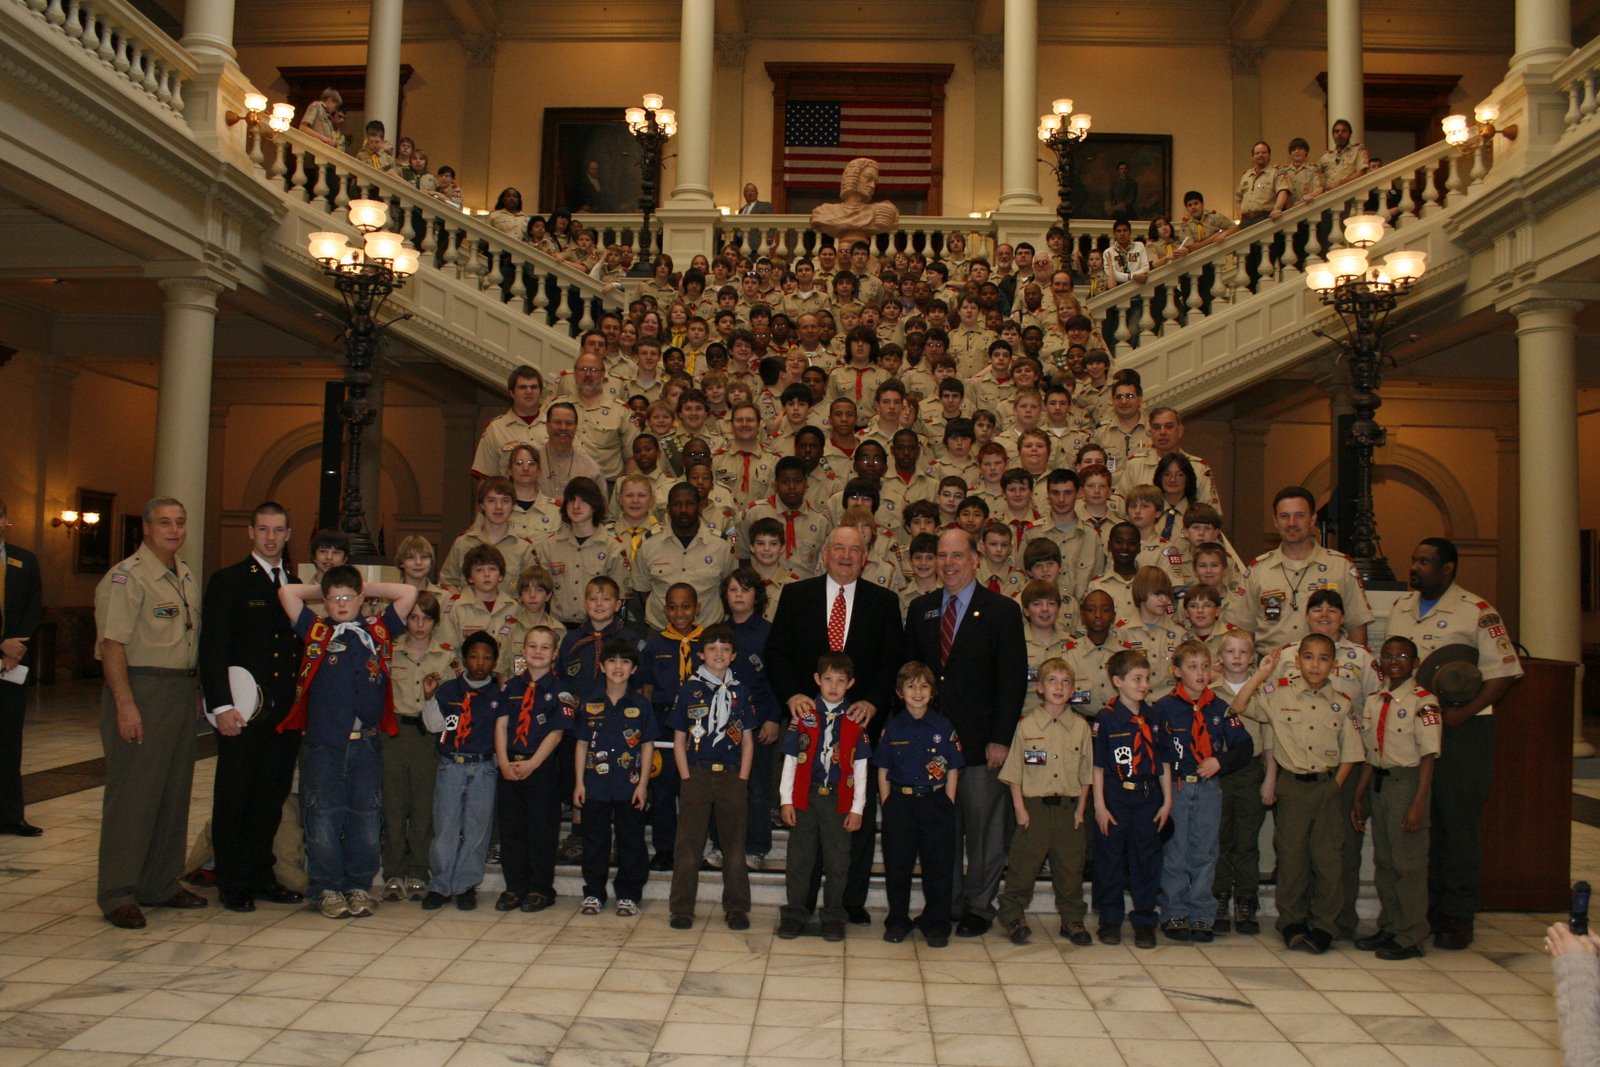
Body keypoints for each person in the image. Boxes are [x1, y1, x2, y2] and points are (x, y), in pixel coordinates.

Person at [1386, 536, 1524, 950]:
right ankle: (1423, 909)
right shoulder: (1401, 608)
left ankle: (1457, 914)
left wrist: (1465, 712)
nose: (1416, 566)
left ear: (1448, 569)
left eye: (1425, 561)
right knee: (1420, 821)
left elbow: (1504, 671)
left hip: (1464, 730)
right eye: (1414, 558)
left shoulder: (1477, 612)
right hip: (1412, 729)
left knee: (1457, 822)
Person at [765, 524, 906, 925]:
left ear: (866, 556)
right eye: (839, 548)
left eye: (855, 550)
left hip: (859, 728)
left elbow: (891, 661)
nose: (846, 556)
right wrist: (793, 694)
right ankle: (802, 903)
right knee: (807, 820)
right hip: (806, 726)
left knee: (853, 816)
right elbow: (777, 654)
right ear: (825, 553)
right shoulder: (796, 595)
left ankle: (848, 903)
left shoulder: (883, 602)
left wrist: (873, 702)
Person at [903, 527, 1028, 937]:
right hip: (932, 745)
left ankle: (979, 905)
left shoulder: (1001, 611)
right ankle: (946, 902)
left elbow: (1012, 682)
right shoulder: (921, 609)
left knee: (985, 831)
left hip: (980, 744)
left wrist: (1001, 739)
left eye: (957, 555)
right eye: (941, 555)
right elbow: (913, 677)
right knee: (942, 831)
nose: (948, 564)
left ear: (975, 559)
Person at [277, 566, 417, 920]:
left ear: (361, 599)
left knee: (366, 817)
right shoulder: (317, 630)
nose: (341, 604)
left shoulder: (376, 630)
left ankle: (357, 883)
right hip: (325, 743)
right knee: (323, 816)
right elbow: (287, 594)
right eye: (334, 599)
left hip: (365, 743)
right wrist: (326, 588)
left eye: (348, 598)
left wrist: (364, 586)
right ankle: (325, 887)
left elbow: (407, 593)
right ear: (325, 601)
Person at [92, 498, 207, 929]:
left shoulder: (185, 575)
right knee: (134, 795)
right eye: (164, 523)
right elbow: (112, 646)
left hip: (178, 691)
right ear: (146, 527)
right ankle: (118, 892)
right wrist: (125, 703)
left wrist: (194, 689)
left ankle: (160, 882)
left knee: (173, 793)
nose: (174, 530)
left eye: (180, 522)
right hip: (142, 689)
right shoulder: (126, 578)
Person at [198, 502, 305, 913]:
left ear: (289, 534)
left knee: (269, 797)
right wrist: (220, 705)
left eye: (278, 530)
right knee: (234, 796)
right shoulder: (230, 582)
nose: (271, 537)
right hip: (242, 711)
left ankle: (262, 875)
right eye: (264, 530)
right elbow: (214, 649)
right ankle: (233, 880)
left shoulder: (294, 584)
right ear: (250, 532)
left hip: (282, 715)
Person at [1231, 634, 1363, 953]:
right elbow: (1239, 705)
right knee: (1291, 857)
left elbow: (1351, 753)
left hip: (1328, 787)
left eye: (1322, 658)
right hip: (1291, 787)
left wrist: (1334, 787)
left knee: (1328, 860)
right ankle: (1292, 921)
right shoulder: (1280, 695)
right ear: (1298, 660)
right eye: (1308, 657)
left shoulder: (1342, 703)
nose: (1315, 664)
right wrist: (1262, 674)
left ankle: (1324, 925)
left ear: (1333, 664)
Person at [1149, 640, 1253, 943]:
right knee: (1175, 852)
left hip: (1208, 788)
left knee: (1205, 853)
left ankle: (1202, 914)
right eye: (1192, 667)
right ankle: (1174, 911)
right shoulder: (1164, 709)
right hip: (1178, 787)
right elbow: (1156, 751)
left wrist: (1220, 761)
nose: (1200, 673)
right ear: (1176, 671)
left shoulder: (1220, 708)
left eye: (1205, 667)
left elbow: (1245, 746)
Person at [1350, 635, 1441, 960]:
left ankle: (1412, 934)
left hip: (1407, 784)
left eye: (1402, 656)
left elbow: (1429, 757)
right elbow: (1368, 754)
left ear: (1415, 663)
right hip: (1378, 783)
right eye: (1388, 656)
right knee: (1385, 862)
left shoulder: (1423, 702)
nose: (1394, 661)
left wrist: (1418, 804)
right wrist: (1359, 797)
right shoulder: (1376, 700)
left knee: (1409, 864)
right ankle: (1390, 925)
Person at [997, 658, 1093, 947]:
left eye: (1065, 682)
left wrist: (1081, 809)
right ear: (1039, 688)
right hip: (1033, 809)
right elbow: (1015, 771)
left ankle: (1072, 919)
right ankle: (1013, 916)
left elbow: (1086, 774)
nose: (1059, 687)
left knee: (1070, 869)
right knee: (1022, 868)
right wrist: (1020, 809)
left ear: (1074, 689)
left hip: (1068, 810)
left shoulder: (1081, 728)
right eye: (1052, 681)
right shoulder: (1026, 727)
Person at [667, 623, 757, 930]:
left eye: (725, 649)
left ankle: (737, 908)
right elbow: (679, 739)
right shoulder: (689, 690)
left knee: (734, 846)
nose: (718, 654)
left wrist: (743, 778)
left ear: (733, 655)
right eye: (712, 648)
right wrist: (686, 776)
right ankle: (681, 908)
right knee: (689, 845)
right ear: (701, 653)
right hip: (697, 774)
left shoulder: (740, 692)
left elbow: (747, 739)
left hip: (731, 776)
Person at [777, 650, 872, 941]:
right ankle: (794, 913)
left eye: (840, 681)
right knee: (799, 859)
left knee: (837, 861)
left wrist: (858, 809)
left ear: (851, 684)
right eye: (828, 679)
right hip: (805, 796)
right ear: (817, 679)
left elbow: (862, 768)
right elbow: (790, 761)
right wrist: (785, 800)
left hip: (837, 800)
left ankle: (833, 915)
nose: (833, 686)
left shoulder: (856, 721)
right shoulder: (802, 717)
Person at [872, 662, 962, 947]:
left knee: (938, 867)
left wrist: (948, 799)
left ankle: (936, 922)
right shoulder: (893, 727)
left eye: (924, 686)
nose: (918, 692)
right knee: (898, 866)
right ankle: (897, 919)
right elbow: (883, 769)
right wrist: (887, 802)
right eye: (911, 686)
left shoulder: (943, 725)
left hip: (936, 802)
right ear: (900, 692)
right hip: (901, 803)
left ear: (933, 691)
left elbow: (953, 767)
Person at [1092, 649, 1173, 949]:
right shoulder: (1107, 719)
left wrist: (1167, 802)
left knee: (1147, 861)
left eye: (1147, 679)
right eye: (1136, 679)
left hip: (1148, 797)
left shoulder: (1153, 717)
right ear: (1117, 681)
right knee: (1109, 860)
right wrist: (1099, 806)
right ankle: (1110, 920)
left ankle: (1144, 920)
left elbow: (1163, 762)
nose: (1143, 685)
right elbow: (1098, 767)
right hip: (1115, 796)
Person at [573, 639, 658, 917]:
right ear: (601, 666)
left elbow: (647, 746)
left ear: (634, 669)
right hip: (594, 785)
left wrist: (643, 784)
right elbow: (581, 744)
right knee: (594, 841)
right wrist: (579, 783)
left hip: (629, 785)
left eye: (625, 661)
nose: (618, 667)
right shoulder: (589, 702)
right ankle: (594, 893)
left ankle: (629, 894)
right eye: (612, 661)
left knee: (631, 841)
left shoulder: (642, 706)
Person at [419, 631, 501, 911]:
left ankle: (466, 884)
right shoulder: (448, 691)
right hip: (451, 765)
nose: (480, 663)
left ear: (494, 661)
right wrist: (429, 697)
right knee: (446, 827)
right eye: (475, 656)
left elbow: (504, 733)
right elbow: (433, 726)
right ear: (464, 659)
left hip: (484, 767)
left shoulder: (499, 693)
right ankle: (440, 884)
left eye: (487, 657)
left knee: (477, 828)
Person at [493, 626, 572, 913]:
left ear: (555, 654)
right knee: (511, 829)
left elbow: (556, 734)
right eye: (532, 646)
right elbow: (501, 725)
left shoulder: (561, 691)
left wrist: (532, 764)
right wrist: (503, 762)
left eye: (545, 647)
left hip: (541, 767)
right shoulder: (510, 687)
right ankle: (515, 886)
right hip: (509, 766)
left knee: (542, 829)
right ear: (523, 651)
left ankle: (541, 888)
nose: (538, 652)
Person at [384, 592, 456, 901]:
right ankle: (393, 871)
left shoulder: (446, 657)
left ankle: (418, 870)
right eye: (412, 617)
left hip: (428, 736)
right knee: (394, 806)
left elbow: (452, 703)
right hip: (396, 733)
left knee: (424, 807)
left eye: (426, 618)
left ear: (435, 623)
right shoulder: (390, 652)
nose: (419, 624)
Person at [1244, 486, 1373, 654]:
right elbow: (1243, 631)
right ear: (1275, 521)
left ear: (1313, 519)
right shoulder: (1258, 570)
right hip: (1271, 671)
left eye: (1300, 516)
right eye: (1284, 516)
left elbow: (1357, 629)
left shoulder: (1340, 567)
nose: (1291, 523)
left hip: (1326, 670)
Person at [1210, 629, 1267, 934]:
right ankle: (1218, 897)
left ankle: (1246, 901)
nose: (1236, 657)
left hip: (1251, 772)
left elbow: (1270, 739)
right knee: (1219, 839)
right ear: (1219, 658)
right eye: (1230, 652)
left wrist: (1269, 778)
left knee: (1246, 841)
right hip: (1218, 770)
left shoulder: (1262, 692)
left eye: (1243, 652)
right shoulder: (1211, 691)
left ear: (1252, 658)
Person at [0, 498, 43, 837]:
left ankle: (11, 815)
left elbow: (33, 604)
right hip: (3, 651)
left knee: (10, 740)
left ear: (5, 521)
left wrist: (17, 644)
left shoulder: (23, 561)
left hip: (14, 663)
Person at [472, 366, 549, 479]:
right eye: (522, 387)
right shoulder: (495, 429)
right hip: (510, 496)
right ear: (512, 393)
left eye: (534, 387)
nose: (529, 392)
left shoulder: (555, 426)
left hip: (548, 496)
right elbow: (485, 478)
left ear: (540, 393)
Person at [1318, 118, 1370, 190]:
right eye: (1337, 131)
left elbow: (1361, 173)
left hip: (1349, 195)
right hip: (1328, 197)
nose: (1340, 134)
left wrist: (1341, 183)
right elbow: (1318, 179)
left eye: (1344, 131)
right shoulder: (1325, 157)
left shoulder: (1358, 150)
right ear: (1333, 135)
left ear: (1350, 134)